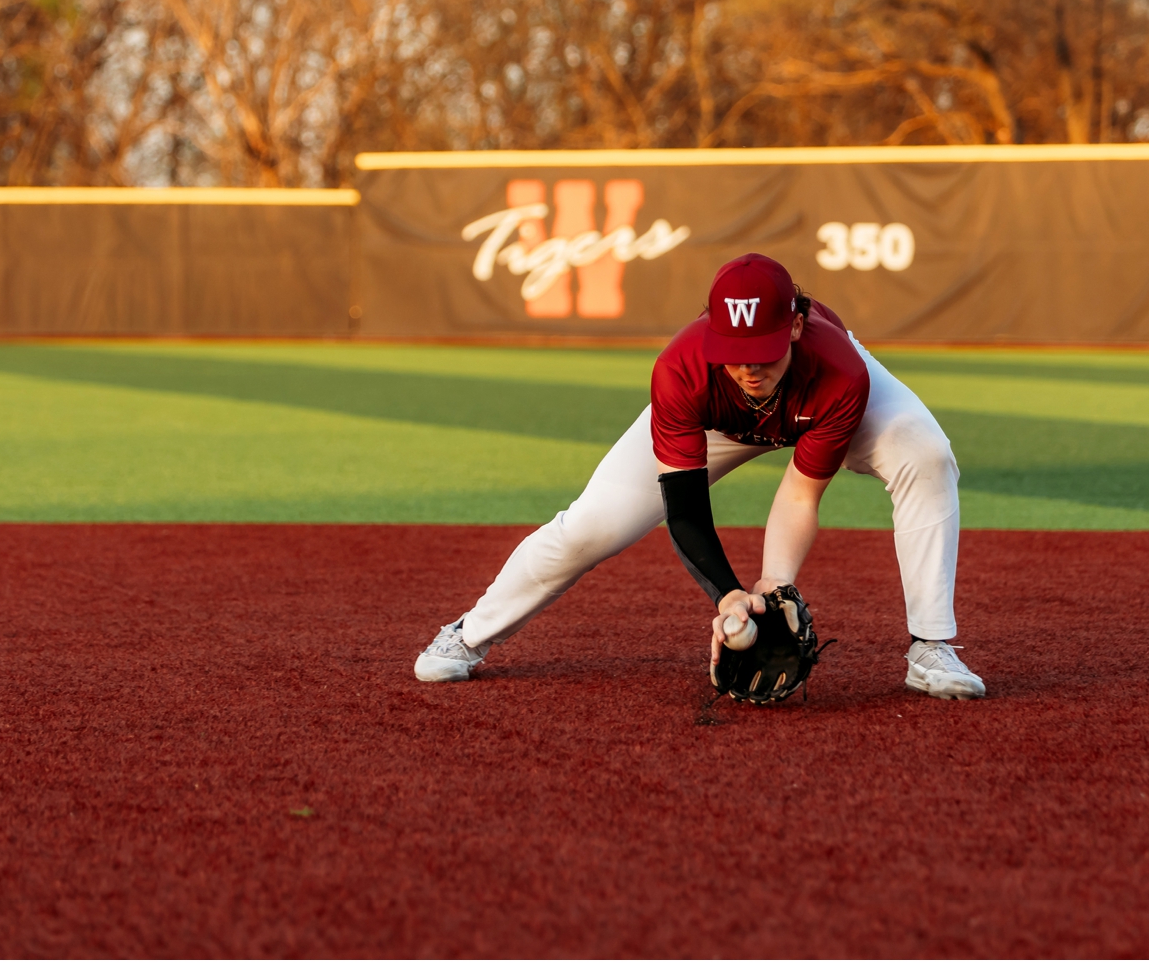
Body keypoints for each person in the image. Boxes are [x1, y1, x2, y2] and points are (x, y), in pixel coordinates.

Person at [414, 252, 985, 701]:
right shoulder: (681, 369)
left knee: (925, 455)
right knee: (592, 524)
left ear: (796, 325)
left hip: (813, 400)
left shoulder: (841, 373)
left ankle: (931, 647)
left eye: (761, 348)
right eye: (734, 349)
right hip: (710, 419)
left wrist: (775, 585)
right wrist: (729, 595)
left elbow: (800, 491)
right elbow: (683, 509)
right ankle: (468, 634)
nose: (748, 366)